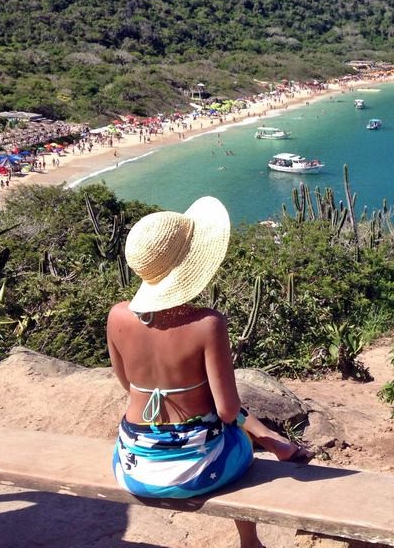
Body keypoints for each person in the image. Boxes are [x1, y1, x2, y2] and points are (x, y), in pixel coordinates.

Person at [107, 196, 311, 548]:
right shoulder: (207, 324)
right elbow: (228, 411)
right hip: (196, 472)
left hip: (133, 468)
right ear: (189, 266)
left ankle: (270, 443)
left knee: (225, 436)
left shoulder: (117, 316)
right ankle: (250, 540)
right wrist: (257, 430)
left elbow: (128, 385)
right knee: (236, 441)